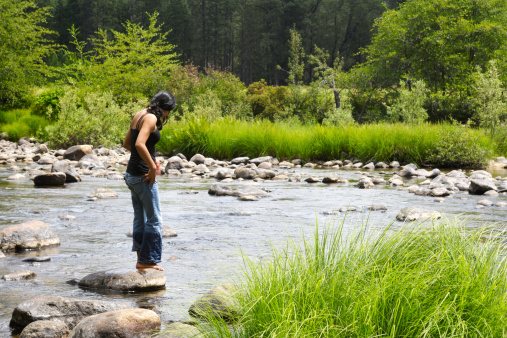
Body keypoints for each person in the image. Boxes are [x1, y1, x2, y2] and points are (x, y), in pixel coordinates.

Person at [123, 91, 176, 271]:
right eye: (169, 111)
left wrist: (151, 159)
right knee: (155, 220)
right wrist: (151, 168)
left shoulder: (140, 114)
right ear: (164, 108)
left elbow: (126, 143)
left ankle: (141, 259)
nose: (168, 115)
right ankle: (148, 260)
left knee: (140, 218)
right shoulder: (151, 118)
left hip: (131, 175)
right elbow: (138, 144)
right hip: (143, 176)